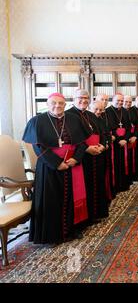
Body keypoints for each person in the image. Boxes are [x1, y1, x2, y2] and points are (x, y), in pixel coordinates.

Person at [22, 93, 90, 244]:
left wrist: (76, 158)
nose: (57, 106)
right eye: (54, 103)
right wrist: (56, 163)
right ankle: (52, 235)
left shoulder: (74, 119)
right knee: (51, 200)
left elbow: (83, 143)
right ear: (47, 103)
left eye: (61, 103)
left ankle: (71, 230)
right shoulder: (37, 121)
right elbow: (38, 147)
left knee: (72, 198)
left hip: (72, 165)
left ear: (65, 105)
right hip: (49, 168)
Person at [67, 90, 109, 223]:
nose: (83, 100)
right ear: (73, 98)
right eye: (80, 98)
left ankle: (96, 213)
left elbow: (102, 132)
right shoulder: (68, 116)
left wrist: (102, 145)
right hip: (82, 157)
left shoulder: (91, 115)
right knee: (85, 187)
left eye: (86, 98)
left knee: (96, 184)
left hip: (97, 154)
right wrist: (87, 148)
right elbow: (71, 138)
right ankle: (86, 218)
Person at [105, 94, 132, 193]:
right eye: (118, 100)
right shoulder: (107, 111)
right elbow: (109, 128)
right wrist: (118, 139)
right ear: (113, 100)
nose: (120, 102)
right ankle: (116, 186)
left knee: (124, 163)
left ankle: (124, 184)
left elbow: (129, 128)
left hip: (124, 142)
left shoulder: (125, 111)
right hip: (114, 143)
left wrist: (125, 139)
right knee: (115, 164)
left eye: (122, 100)